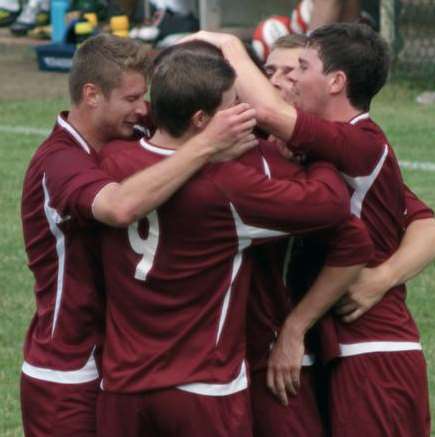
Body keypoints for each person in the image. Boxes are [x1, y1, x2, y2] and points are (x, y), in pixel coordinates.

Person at [96, 40, 373, 437]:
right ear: (200, 120)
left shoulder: (114, 161)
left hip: (122, 388)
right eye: (232, 106)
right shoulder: (230, 187)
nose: (244, 113)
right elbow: (333, 211)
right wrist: (317, 151)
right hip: (204, 387)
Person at [186, 23, 435, 436]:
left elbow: (424, 221)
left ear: (336, 81)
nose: (289, 80)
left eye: (300, 67)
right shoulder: (318, 148)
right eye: (277, 71)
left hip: (371, 348)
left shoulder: (360, 143)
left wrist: (228, 43)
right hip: (333, 347)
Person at [20, 33, 257, 437]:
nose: (142, 110)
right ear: (92, 95)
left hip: (118, 366)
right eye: (131, 99)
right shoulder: (59, 160)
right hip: (67, 371)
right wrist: (205, 148)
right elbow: (119, 207)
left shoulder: (126, 134)